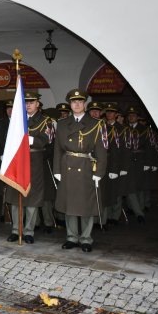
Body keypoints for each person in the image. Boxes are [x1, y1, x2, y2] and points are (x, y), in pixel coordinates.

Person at [53, 89, 108, 253]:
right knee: (69, 204)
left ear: (84, 104)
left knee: (85, 205)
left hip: (86, 168)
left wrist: (99, 172)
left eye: (80, 102)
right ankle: (71, 237)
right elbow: (57, 149)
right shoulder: (62, 124)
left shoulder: (96, 124)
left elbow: (102, 151)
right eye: (73, 102)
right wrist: (57, 169)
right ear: (70, 104)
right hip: (67, 165)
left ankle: (86, 238)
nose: (77, 104)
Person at [5, 92, 53, 244]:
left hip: (34, 161)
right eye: (26, 102)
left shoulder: (46, 121)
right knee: (15, 198)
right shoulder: (17, 119)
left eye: (32, 102)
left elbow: (47, 139)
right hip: (18, 161)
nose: (28, 105)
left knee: (31, 199)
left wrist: (32, 140)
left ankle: (28, 231)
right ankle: (15, 230)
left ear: (38, 104)